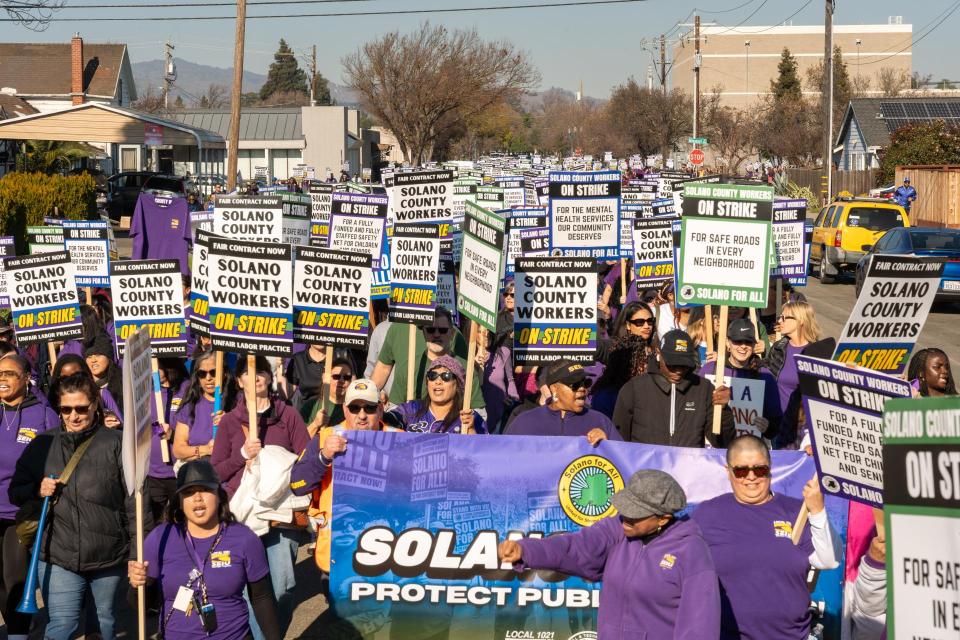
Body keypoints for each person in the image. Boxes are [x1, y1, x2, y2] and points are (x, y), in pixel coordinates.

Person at [497, 470, 720, 639]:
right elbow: (575, 547)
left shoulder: (691, 551)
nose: (626, 518)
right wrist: (525, 550)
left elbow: (699, 626)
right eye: (625, 509)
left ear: (663, 518)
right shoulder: (617, 530)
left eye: (636, 514)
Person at [9, 373, 135, 640]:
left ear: (94, 405)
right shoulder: (42, 444)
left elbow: (134, 503)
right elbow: (15, 492)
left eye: (81, 408)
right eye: (66, 409)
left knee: (103, 624)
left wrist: (137, 552)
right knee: (61, 626)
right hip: (58, 554)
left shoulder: (116, 443)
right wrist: (37, 490)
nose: (74, 416)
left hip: (108, 555)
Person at [692, 435, 841, 639]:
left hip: (790, 636)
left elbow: (829, 560)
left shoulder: (796, 511)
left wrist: (817, 510)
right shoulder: (707, 514)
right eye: (741, 471)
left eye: (760, 469)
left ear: (770, 468)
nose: (751, 477)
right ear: (728, 471)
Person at [210, 355, 310, 639]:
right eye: (247, 372)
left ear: (269, 377)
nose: (255, 377)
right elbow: (215, 472)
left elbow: (305, 460)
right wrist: (242, 456)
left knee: (283, 586)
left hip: (280, 514)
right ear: (239, 381)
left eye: (261, 371)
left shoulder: (288, 415)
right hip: (243, 516)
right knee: (249, 590)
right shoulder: (230, 422)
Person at [128, 460, 282, 640]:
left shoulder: (245, 538)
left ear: (219, 495)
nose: (197, 498)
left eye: (205, 489)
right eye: (188, 492)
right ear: (180, 501)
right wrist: (137, 585)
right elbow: (143, 605)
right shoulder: (160, 538)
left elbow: (262, 597)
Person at [290, 379, 396, 574]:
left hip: (387, 554)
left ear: (380, 409)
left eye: (369, 408)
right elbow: (297, 485)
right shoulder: (325, 437)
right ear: (345, 409)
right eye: (355, 408)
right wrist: (323, 457)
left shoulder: (399, 439)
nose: (362, 415)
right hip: (336, 554)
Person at [0, 354, 58, 640]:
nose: (2, 379)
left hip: (20, 511)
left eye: (9, 373)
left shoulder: (43, 414)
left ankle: (18, 634)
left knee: (15, 577)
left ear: (25, 379)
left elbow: (57, 459)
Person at [614, 330, 736, 447]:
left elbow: (723, 442)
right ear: (658, 354)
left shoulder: (704, 389)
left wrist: (723, 411)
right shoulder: (634, 389)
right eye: (672, 364)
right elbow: (618, 441)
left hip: (688, 462)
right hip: (645, 462)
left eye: (684, 365)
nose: (678, 371)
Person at [370, 307, 482, 409]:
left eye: (443, 330)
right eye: (430, 330)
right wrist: (368, 401)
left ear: (451, 334)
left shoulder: (463, 363)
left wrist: (470, 419)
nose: (437, 334)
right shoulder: (407, 366)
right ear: (424, 332)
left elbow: (478, 411)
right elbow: (383, 369)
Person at [698, 319, 782, 440]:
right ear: (727, 343)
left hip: (748, 446)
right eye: (737, 341)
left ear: (754, 345)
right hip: (713, 446)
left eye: (748, 342)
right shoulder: (710, 369)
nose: (743, 346)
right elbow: (697, 410)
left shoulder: (764, 375)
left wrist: (767, 427)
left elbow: (776, 422)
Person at [506, 360, 622, 442]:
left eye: (585, 383)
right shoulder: (524, 422)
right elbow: (506, 459)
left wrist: (608, 445)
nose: (582, 389)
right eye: (575, 385)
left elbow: (622, 460)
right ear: (554, 388)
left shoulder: (600, 422)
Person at [144, 357, 189, 531]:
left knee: (182, 520)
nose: (152, 370)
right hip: (153, 472)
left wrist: (173, 435)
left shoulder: (186, 389)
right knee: (157, 524)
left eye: (156, 366)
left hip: (178, 470)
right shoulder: (146, 392)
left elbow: (195, 428)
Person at [388, 356, 486, 434]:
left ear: (457, 385)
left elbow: (485, 450)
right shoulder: (412, 409)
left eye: (446, 376)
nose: (438, 381)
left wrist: (471, 431)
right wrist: (379, 411)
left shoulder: (470, 418)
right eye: (432, 375)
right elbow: (387, 421)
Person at [172, 350, 221, 465]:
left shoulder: (235, 402)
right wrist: (205, 449)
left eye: (213, 372)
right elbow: (178, 450)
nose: (208, 378)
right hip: (196, 471)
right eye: (202, 374)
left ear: (223, 373)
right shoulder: (190, 405)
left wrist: (229, 421)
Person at [48, 354, 122, 428]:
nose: (72, 382)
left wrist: (107, 423)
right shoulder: (52, 404)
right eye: (66, 409)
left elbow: (122, 425)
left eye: (77, 376)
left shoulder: (102, 395)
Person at [591, 335, 649, 418]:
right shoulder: (606, 397)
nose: (647, 365)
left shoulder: (643, 389)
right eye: (644, 360)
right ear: (629, 363)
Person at [301, 357, 355, 435]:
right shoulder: (310, 406)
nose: (341, 380)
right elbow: (300, 439)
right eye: (336, 376)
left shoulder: (355, 408)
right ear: (324, 378)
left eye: (347, 377)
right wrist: (315, 424)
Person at [84, 335, 124, 418]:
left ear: (109, 358)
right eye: (89, 357)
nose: (93, 360)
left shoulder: (123, 385)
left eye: (98, 355)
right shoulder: (83, 388)